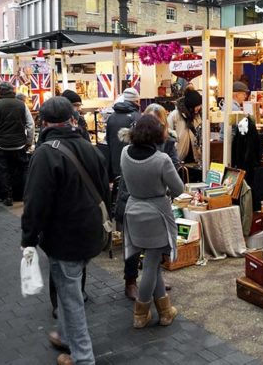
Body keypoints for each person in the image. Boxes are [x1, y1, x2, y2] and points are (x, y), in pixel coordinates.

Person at [22, 96, 110, 365]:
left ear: (44, 121)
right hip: (92, 232)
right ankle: (64, 334)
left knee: (70, 297)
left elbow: (35, 202)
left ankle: (83, 357)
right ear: (73, 119)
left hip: (65, 236)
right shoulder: (89, 146)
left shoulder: (46, 153)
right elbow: (105, 188)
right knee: (66, 286)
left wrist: (28, 238)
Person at [120, 115, 183, 329]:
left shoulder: (124, 153)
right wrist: (162, 191)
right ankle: (141, 313)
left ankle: (166, 311)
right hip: (157, 215)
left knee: (153, 265)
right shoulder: (161, 159)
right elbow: (179, 189)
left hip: (133, 212)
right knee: (150, 265)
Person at [106, 88, 141, 180]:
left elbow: (108, 141)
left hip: (115, 163)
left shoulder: (111, 117)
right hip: (132, 163)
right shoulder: (136, 117)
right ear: (136, 100)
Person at [167, 87, 202, 167]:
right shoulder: (175, 115)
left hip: (195, 157)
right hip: (179, 157)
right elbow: (168, 134)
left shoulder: (197, 116)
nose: (198, 108)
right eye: (196, 106)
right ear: (190, 105)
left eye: (199, 105)